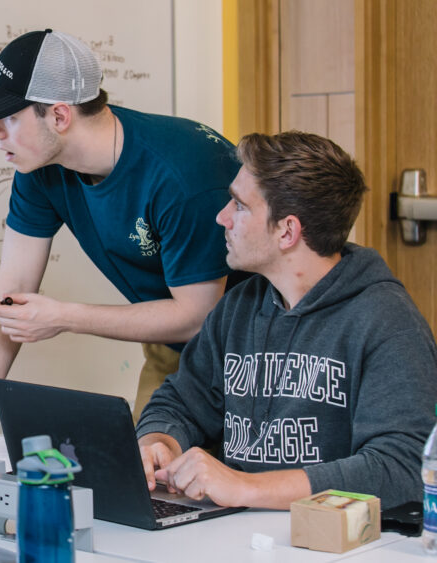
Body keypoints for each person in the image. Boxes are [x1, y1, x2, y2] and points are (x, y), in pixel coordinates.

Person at [0, 29, 242, 442]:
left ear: (60, 116)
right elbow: (11, 287)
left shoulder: (181, 175)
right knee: (146, 486)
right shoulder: (40, 167)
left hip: (262, 349)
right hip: (173, 348)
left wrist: (64, 317)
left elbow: (197, 317)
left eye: (9, 117)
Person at [136, 131, 437, 509]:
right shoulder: (239, 307)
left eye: (239, 205)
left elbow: (402, 467)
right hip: (241, 536)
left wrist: (247, 487)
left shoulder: (387, 321)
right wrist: (158, 442)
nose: (222, 217)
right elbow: (180, 401)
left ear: (287, 231)